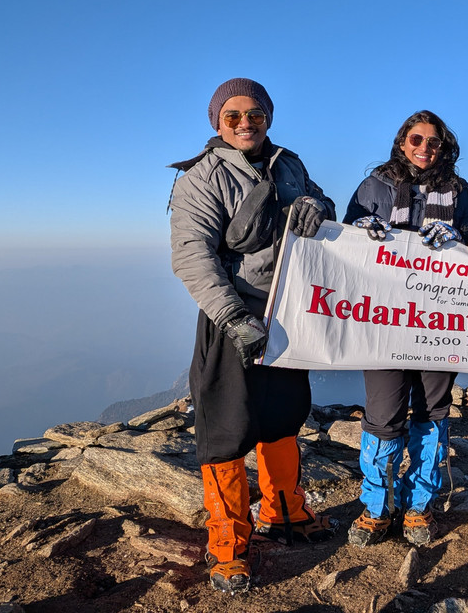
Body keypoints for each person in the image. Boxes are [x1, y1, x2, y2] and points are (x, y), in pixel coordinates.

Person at [168, 77, 337, 594]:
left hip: (286, 308)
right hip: (232, 316)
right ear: (217, 121)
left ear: (268, 116)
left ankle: (284, 511)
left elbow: (319, 204)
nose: (245, 122)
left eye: (255, 112)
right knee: (226, 427)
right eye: (233, 115)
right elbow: (192, 256)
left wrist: (319, 207)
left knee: (283, 412)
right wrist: (233, 317)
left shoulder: (287, 162)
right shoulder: (201, 176)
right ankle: (228, 543)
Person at [342, 110, 468, 547]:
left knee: (431, 412)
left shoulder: (460, 194)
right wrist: (358, 230)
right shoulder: (374, 187)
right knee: (383, 414)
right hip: (384, 321)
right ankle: (377, 506)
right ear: (403, 141)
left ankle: (419, 507)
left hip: (440, 322)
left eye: (434, 142)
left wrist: (460, 241)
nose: (425, 148)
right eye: (417, 139)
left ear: (444, 147)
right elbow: (341, 244)